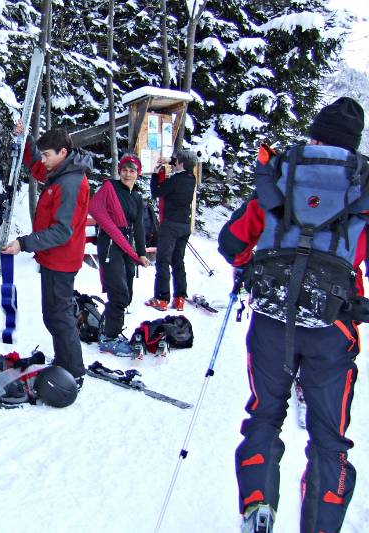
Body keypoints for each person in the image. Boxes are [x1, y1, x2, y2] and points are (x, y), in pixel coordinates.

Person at [217, 96, 365, 533]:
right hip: (333, 327)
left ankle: (258, 507)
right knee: (329, 438)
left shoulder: (283, 173)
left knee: (264, 415)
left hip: (272, 318)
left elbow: (231, 242)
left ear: (315, 134)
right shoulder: (363, 185)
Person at [1, 123, 91, 386]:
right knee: (54, 314)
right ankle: (65, 362)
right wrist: (26, 140)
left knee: (58, 315)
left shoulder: (71, 183)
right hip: (55, 258)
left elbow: (62, 231)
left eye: (47, 154)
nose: (44, 160)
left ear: (63, 152)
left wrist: (24, 243)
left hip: (62, 260)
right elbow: (38, 168)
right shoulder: (61, 170)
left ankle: (73, 371)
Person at [89, 155, 149, 355]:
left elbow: (139, 226)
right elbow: (95, 207)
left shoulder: (137, 197)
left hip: (126, 244)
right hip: (111, 243)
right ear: (120, 171)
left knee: (128, 292)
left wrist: (141, 253)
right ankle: (109, 338)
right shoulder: (110, 188)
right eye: (124, 170)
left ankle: (107, 328)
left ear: (137, 174)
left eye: (132, 171)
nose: (127, 174)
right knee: (119, 291)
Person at [145, 149, 198, 311]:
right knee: (178, 261)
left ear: (181, 163)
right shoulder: (192, 178)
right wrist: (169, 160)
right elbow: (181, 163)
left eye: (177, 162)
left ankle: (161, 298)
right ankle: (180, 297)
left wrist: (155, 175)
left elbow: (157, 192)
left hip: (170, 225)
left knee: (163, 261)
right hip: (185, 225)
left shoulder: (175, 180)